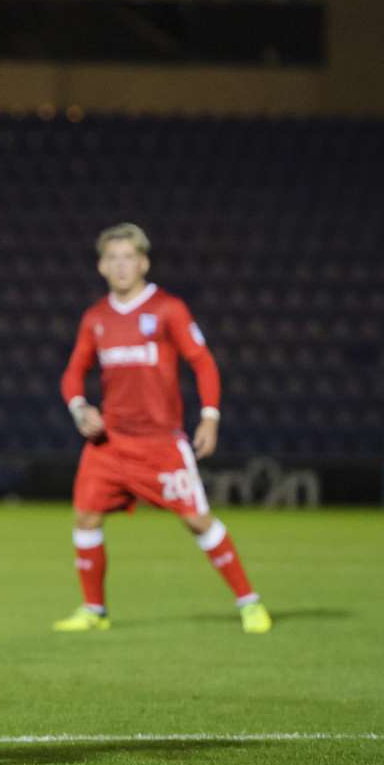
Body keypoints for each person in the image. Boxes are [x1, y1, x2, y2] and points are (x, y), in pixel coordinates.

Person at [55, 223, 271, 635]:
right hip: (109, 444)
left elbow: (203, 361)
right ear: (102, 266)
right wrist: (80, 408)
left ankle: (250, 602)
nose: (121, 266)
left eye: (129, 258)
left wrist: (210, 415)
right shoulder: (95, 318)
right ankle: (94, 610)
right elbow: (73, 374)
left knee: (197, 521)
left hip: (160, 443)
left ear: (144, 263)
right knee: (85, 517)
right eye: (113, 258)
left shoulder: (168, 309)